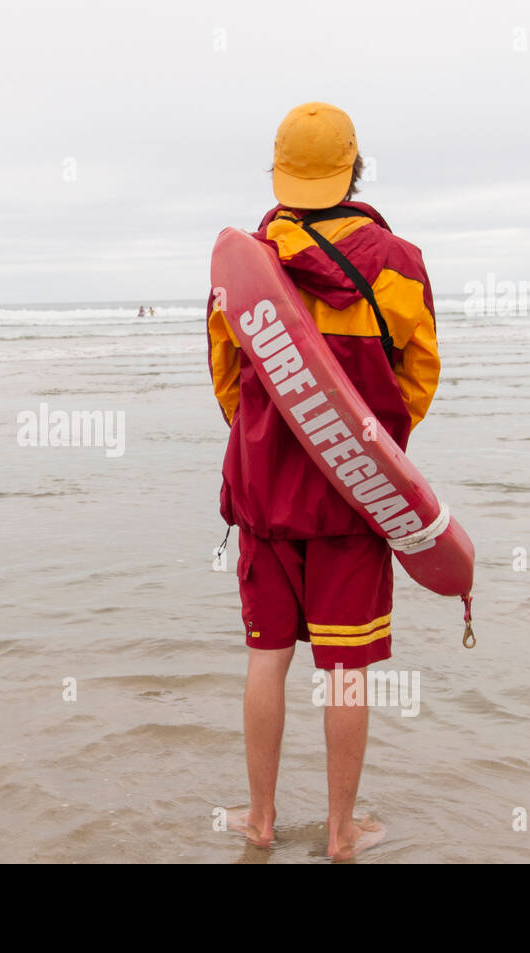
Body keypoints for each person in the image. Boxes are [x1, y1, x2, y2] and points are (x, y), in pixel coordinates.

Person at [206, 102, 440, 859]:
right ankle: (342, 833)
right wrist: (365, 447)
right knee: (345, 670)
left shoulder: (246, 259)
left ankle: (261, 819)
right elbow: (419, 378)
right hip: (353, 502)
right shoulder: (397, 261)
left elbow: (227, 379)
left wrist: (273, 443)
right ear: (354, 168)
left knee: (266, 659)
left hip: (264, 501)